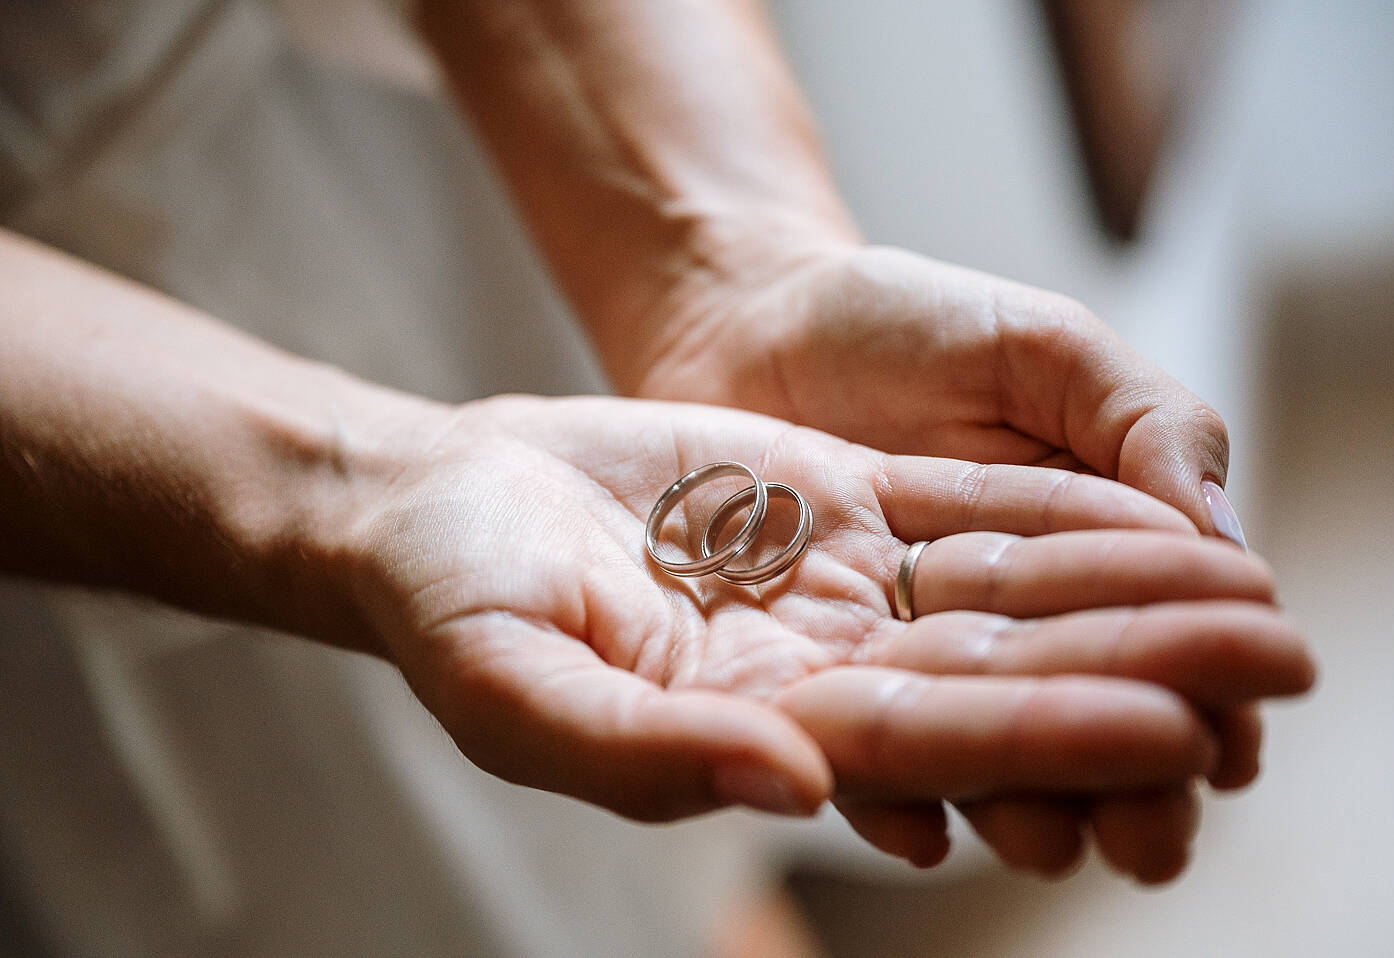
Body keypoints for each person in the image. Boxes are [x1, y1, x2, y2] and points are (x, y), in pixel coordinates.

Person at [0, 0, 1313, 954]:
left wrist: (723, 252)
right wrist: (351, 494)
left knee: (658, 884)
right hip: (78, 434)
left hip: (430, 138)